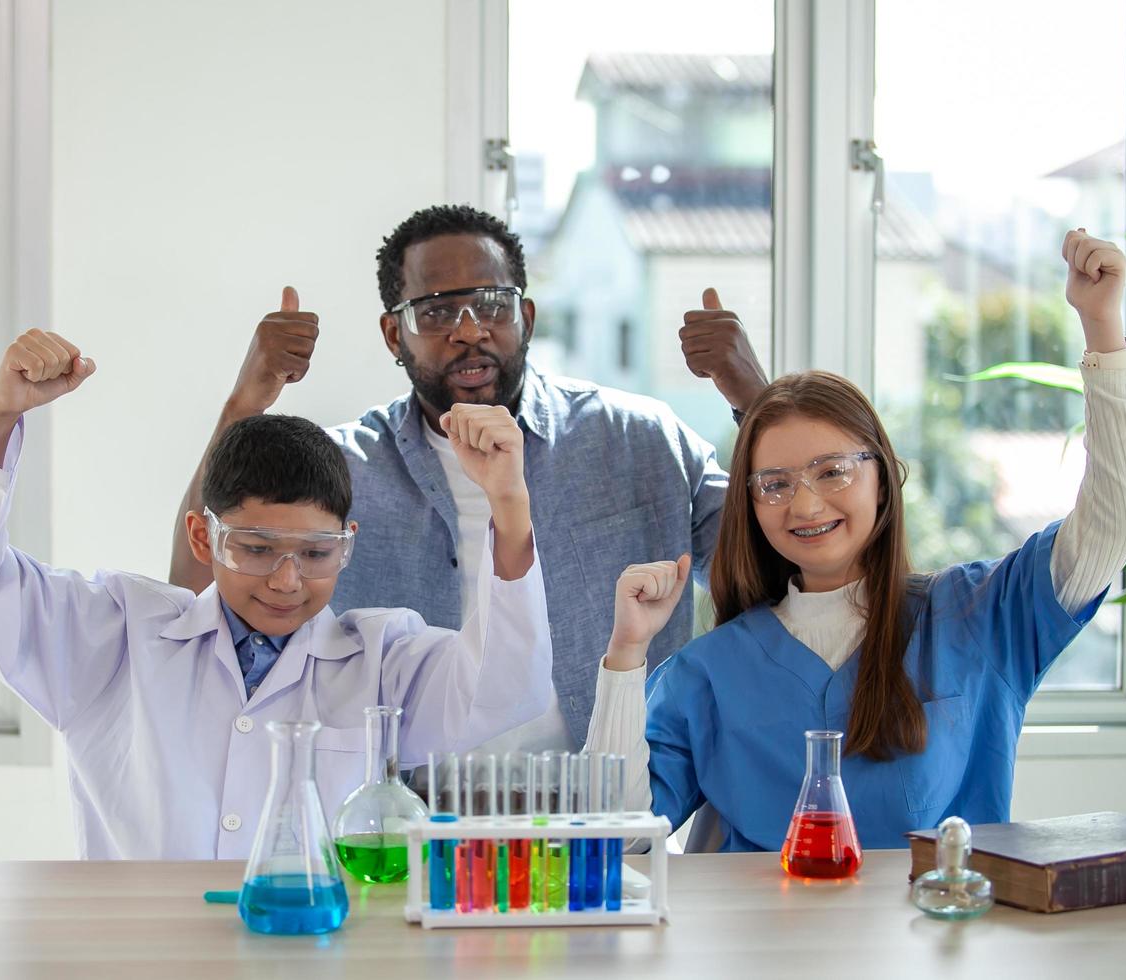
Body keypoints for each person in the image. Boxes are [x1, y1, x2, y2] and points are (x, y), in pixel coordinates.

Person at [585, 230, 1126, 851]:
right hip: (759, 947)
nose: (804, 504)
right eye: (773, 484)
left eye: (833, 471)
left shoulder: (978, 615)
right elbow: (615, 839)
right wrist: (626, 653)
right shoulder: (710, 670)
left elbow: (1116, 523)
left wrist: (1103, 329)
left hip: (937, 938)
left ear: (883, 478)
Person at [0, 330, 553, 859]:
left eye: (315, 553)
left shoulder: (382, 658)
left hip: (310, 957)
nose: (286, 580)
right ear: (202, 536)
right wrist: (0, 415)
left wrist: (508, 501)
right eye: (255, 548)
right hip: (143, 958)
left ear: (347, 541)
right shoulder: (119, 635)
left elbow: (504, 687)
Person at [169, 204, 769, 753]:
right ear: (392, 335)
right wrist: (246, 402)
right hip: (401, 822)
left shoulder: (640, 439)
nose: (468, 330)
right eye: (434, 312)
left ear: (525, 318)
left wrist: (754, 397)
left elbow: (779, 571)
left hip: (603, 812)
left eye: (490, 304)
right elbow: (194, 592)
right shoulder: (340, 468)